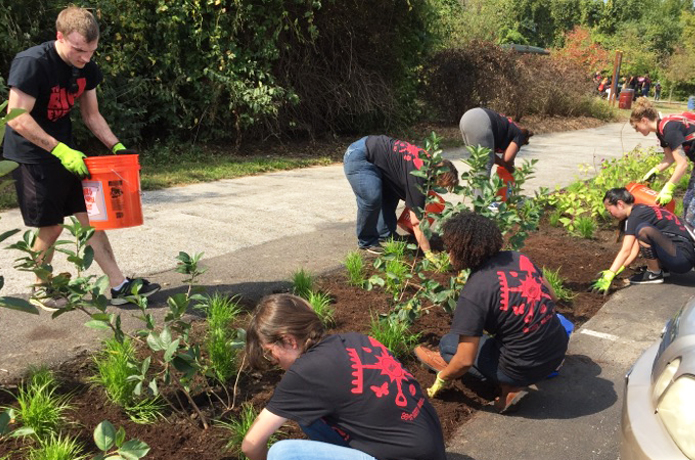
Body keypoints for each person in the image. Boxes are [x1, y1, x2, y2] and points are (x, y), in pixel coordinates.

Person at [3, 6, 159, 309]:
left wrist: (117, 147)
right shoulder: (32, 63)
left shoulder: (86, 68)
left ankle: (119, 286)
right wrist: (58, 149)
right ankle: (41, 288)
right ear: (59, 36)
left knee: (91, 218)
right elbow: (16, 118)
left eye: (91, 51)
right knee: (52, 225)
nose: (85, 58)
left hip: (69, 153)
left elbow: (92, 115)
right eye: (78, 50)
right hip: (32, 155)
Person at [242, 294, 446, 460]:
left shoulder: (305, 373)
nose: (272, 360)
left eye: (270, 351)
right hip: (430, 447)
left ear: (289, 340)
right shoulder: (354, 339)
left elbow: (251, 445)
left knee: (282, 454)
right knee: (309, 419)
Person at [413, 211, 569, 414]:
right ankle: (514, 379)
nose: (447, 253)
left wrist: (442, 379)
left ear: (462, 251)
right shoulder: (518, 258)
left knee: (449, 344)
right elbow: (553, 298)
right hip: (556, 352)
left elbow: (465, 360)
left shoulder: (475, 290)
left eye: (450, 249)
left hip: (523, 368)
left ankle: (510, 389)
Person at [343, 135, 458, 257]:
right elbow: (416, 222)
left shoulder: (427, 163)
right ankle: (367, 241)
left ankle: (386, 235)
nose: (439, 187)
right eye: (442, 184)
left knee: (393, 191)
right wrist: (428, 252)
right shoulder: (418, 175)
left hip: (373, 153)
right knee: (372, 197)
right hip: (360, 156)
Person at [630, 97, 695, 227]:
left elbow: (682, 164)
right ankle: (687, 232)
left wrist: (668, 188)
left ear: (644, 120)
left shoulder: (669, 130)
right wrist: (654, 171)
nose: (637, 130)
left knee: (690, 199)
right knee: (689, 198)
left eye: (636, 127)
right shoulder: (661, 131)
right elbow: (669, 158)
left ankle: (691, 238)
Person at [591, 188, 695, 290]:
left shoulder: (635, 217)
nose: (610, 214)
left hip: (681, 259)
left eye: (609, 210)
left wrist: (611, 272)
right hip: (683, 257)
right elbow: (634, 252)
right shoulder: (642, 210)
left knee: (643, 230)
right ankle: (661, 269)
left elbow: (626, 250)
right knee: (643, 231)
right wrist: (619, 269)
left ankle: (654, 274)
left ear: (620, 204)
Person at [459, 107, 533, 175]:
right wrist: (512, 171)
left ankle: (475, 189)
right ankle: (479, 189)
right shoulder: (520, 135)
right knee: (484, 166)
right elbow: (507, 159)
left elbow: (492, 155)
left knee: (478, 161)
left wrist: (503, 164)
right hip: (482, 120)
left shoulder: (509, 129)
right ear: (524, 140)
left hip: (467, 117)